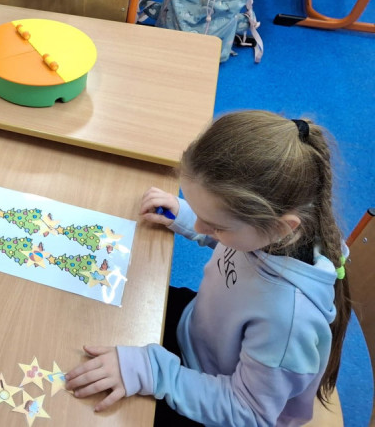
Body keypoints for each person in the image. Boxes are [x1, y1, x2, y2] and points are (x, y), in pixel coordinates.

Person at [65, 111, 352, 427]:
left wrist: (153, 371)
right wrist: (188, 216)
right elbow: (240, 241)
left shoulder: (288, 322)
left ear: (280, 228)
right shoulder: (274, 234)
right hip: (199, 332)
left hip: (217, 399)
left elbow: (248, 412)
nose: (203, 227)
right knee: (101, 311)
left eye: (216, 225)